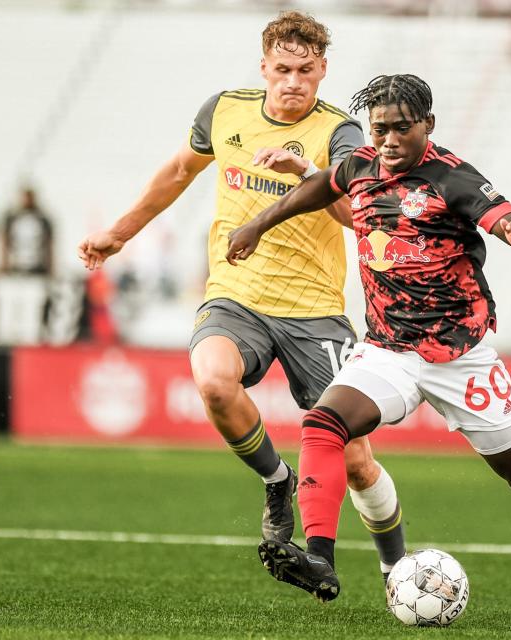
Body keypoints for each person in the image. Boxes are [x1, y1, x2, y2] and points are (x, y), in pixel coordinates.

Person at [227, 74, 511, 602]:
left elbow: (508, 220)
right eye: (380, 130)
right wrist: (259, 223)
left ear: (428, 124)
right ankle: (319, 558)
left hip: (460, 355)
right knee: (323, 425)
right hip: (387, 350)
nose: (390, 141)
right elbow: (323, 186)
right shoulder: (360, 166)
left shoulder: (454, 179)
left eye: (402, 128)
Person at [77, 12, 407, 578]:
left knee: (354, 457)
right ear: (263, 67)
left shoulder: (341, 134)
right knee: (212, 381)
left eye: (306, 70)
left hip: (314, 309)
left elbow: (360, 216)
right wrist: (120, 232)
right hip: (237, 295)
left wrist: (312, 174)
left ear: (323, 70)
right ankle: (278, 482)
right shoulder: (224, 111)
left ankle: (396, 567)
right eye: (283, 69)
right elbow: (179, 171)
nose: (294, 81)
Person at [1, 185, 54, 276]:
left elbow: (49, 244)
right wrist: (4, 264)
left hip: (38, 268)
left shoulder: (42, 219)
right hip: (16, 267)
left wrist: (51, 267)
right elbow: (4, 241)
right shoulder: (12, 218)